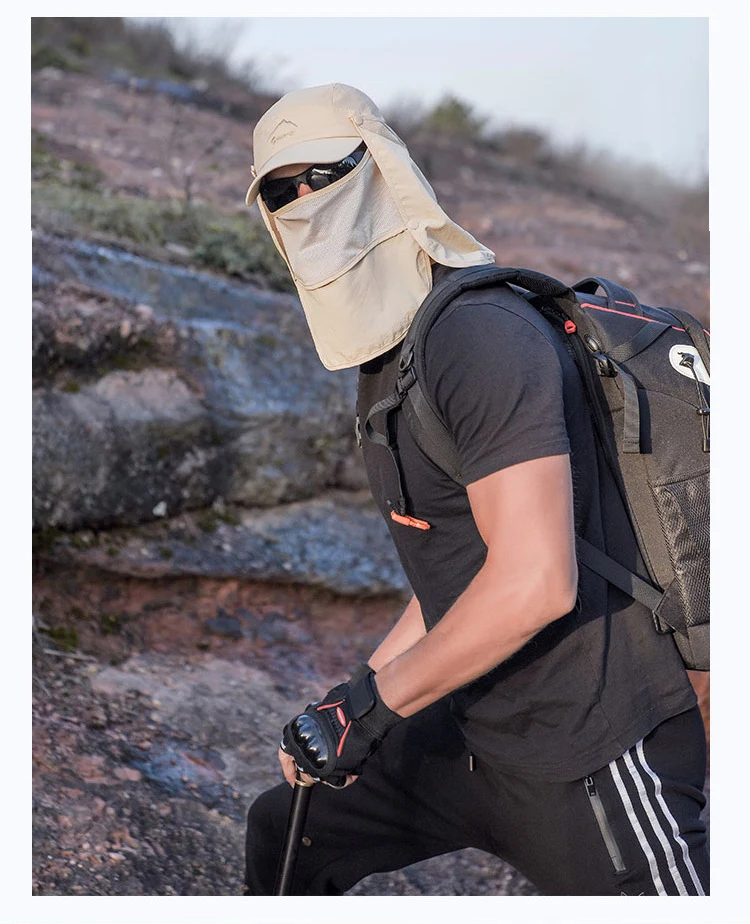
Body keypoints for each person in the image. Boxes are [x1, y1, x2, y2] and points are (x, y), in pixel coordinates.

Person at [242, 83, 709, 896]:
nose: (305, 202)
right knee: (287, 829)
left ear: (387, 169)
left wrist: (370, 711)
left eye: (326, 175)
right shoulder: (392, 355)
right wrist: (350, 702)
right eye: (281, 193)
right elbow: (458, 568)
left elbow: (535, 581)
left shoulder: (477, 334)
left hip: (595, 748)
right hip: (476, 737)